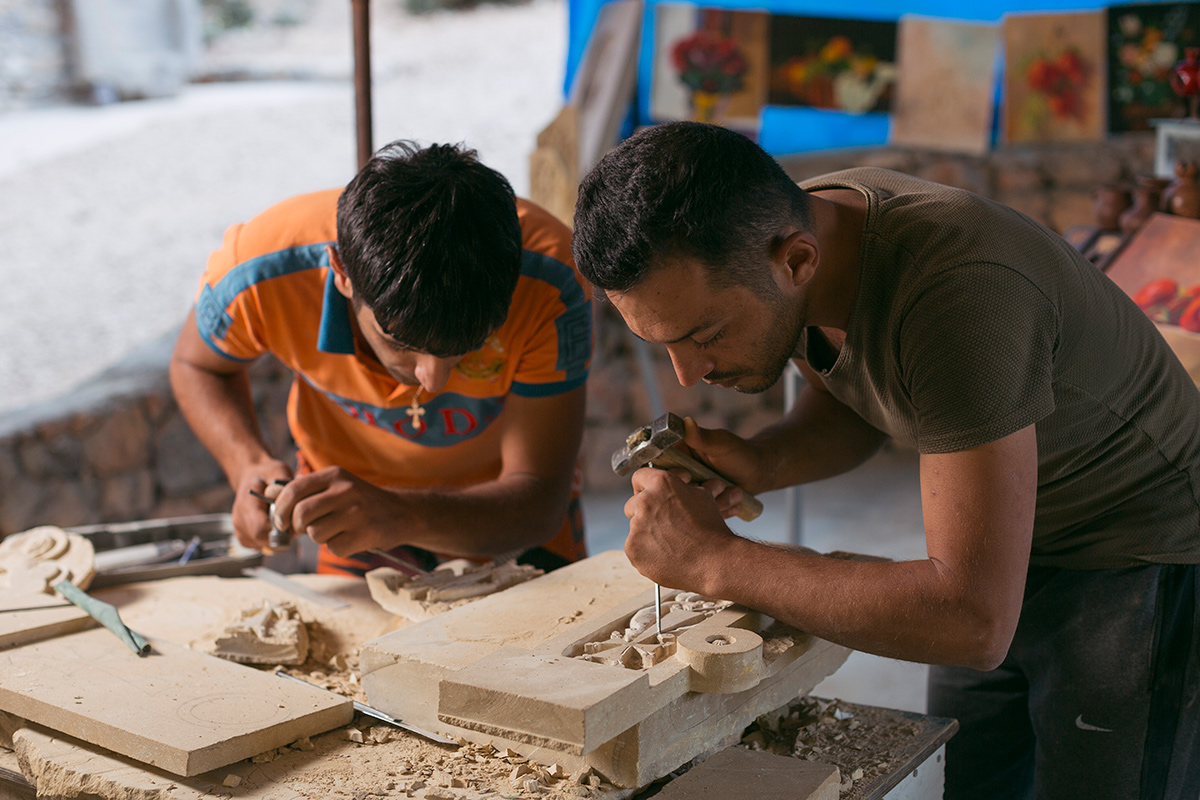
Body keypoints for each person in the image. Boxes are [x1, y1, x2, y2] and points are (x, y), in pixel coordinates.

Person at [570, 121, 1199, 799]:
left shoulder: (959, 296)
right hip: (1010, 537)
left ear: (797, 262)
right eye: (665, 344)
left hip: (1135, 551)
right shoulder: (799, 227)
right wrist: (760, 459)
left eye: (706, 335)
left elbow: (971, 618)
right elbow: (860, 397)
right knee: (982, 782)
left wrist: (718, 561)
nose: (687, 375)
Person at [170, 140, 592, 576]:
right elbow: (196, 365)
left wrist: (402, 514)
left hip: (503, 513)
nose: (432, 381)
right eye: (400, 342)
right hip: (347, 512)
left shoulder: (551, 279)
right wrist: (247, 463)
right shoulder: (258, 270)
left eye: (469, 345)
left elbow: (539, 501)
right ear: (341, 273)